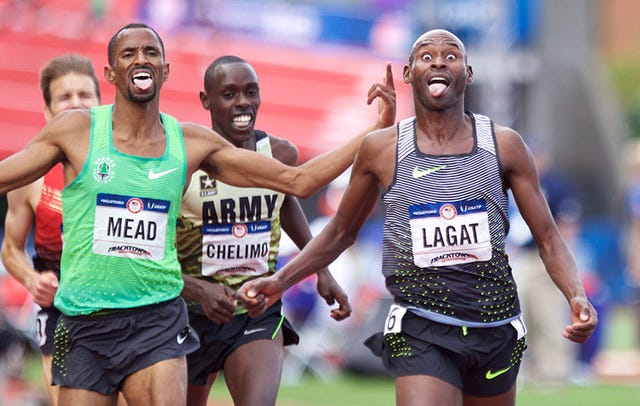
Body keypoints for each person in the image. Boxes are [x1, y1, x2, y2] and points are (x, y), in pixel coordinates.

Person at [0, 23, 395, 406]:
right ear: (111, 72)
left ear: (165, 70)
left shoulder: (189, 143)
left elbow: (298, 181)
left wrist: (373, 129)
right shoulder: (77, 131)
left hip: (156, 320)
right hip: (86, 320)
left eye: (151, 52)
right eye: (129, 53)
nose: (142, 59)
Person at [236, 29, 598, 406]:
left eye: (451, 55)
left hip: (493, 324)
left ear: (468, 73)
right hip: (420, 323)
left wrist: (576, 294)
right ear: (409, 74)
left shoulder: (503, 144)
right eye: (426, 56)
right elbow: (341, 232)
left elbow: (550, 239)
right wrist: (279, 281)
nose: (439, 61)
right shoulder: (380, 149)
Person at [177, 55, 361, 405]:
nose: (242, 102)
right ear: (206, 101)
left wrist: (322, 270)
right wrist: (198, 290)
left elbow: (286, 199)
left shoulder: (278, 153)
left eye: (250, 92)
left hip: (254, 311)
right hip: (190, 314)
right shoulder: (186, 161)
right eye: (229, 94)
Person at [1, 54, 101, 406]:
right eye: (64, 97)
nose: (76, 104)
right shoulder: (28, 176)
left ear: (101, 103)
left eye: (84, 95)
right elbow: (11, 248)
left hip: (126, 302)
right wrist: (31, 280)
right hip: (59, 307)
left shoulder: (131, 164)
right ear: (47, 110)